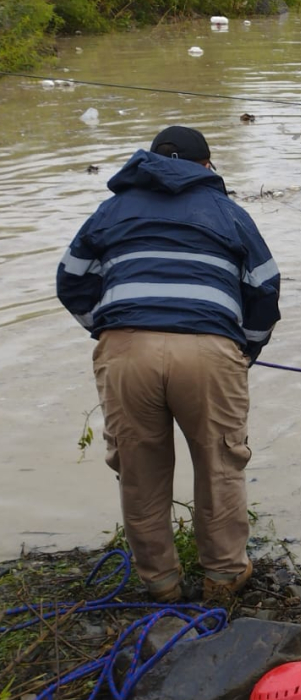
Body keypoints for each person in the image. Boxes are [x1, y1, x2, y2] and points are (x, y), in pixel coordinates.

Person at [56, 126, 281, 603]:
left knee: (139, 469)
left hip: (126, 351)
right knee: (220, 462)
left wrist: (108, 327)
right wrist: (245, 350)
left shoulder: (111, 209)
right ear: (206, 166)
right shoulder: (227, 211)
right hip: (208, 350)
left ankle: (160, 582)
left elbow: (70, 279)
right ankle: (223, 575)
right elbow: (264, 286)